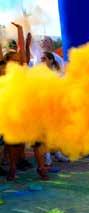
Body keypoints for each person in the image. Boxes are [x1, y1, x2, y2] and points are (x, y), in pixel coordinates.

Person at [1, 22, 48, 181]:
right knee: (14, 142)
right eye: (15, 55)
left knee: (37, 140)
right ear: (8, 60)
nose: (19, 56)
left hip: (28, 107)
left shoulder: (21, 66)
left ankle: (41, 168)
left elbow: (23, 50)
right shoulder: (3, 70)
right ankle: (13, 168)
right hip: (11, 109)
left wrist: (20, 31)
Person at [40, 51, 70, 166]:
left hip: (56, 104)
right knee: (46, 132)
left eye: (44, 59)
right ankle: (47, 156)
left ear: (51, 60)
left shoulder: (58, 72)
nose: (42, 61)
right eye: (42, 59)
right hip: (44, 105)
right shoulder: (39, 72)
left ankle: (57, 153)